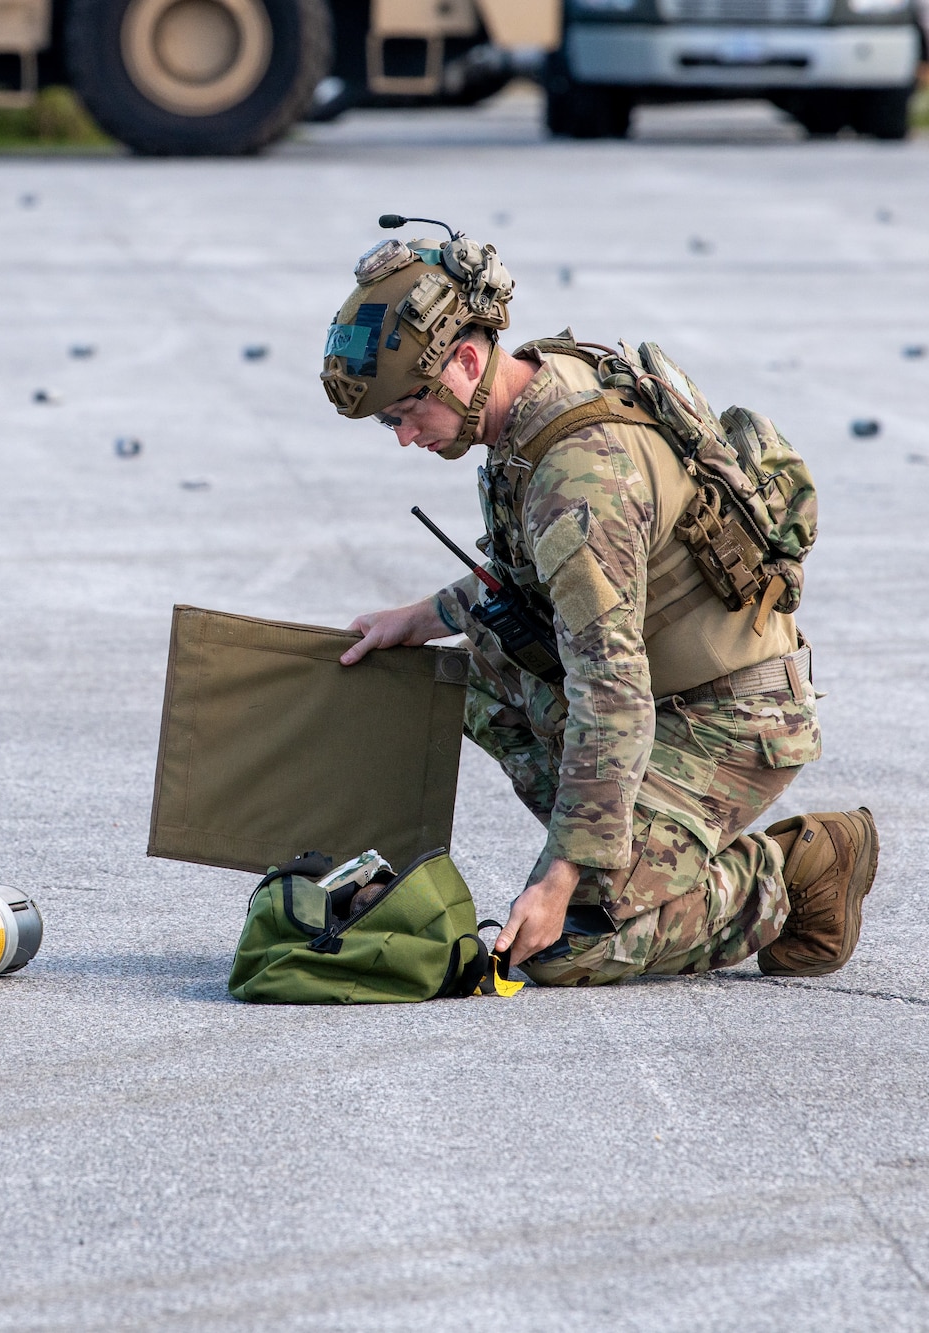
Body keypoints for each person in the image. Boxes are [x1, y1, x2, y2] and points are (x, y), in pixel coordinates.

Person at [320, 225, 876, 986]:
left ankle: (794, 871)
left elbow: (611, 697)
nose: (403, 435)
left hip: (730, 718)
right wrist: (416, 619)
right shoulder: (542, 388)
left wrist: (558, 880)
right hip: (664, 691)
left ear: (467, 361)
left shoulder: (576, 479)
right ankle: (637, 852)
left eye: (404, 412)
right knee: (470, 669)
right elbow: (531, 579)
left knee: (561, 947)